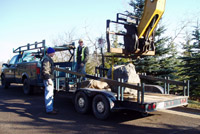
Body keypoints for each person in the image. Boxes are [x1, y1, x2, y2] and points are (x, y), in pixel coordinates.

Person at [41, 47, 58, 114]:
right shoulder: (46, 59)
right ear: (50, 52)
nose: (54, 53)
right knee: (49, 94)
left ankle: (50, 108)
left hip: (49, 78)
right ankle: (49, 110)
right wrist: (48, 79)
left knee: (50, 94)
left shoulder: (48, 58)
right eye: (53, 52)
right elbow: (45, 70)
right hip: (48, 79)